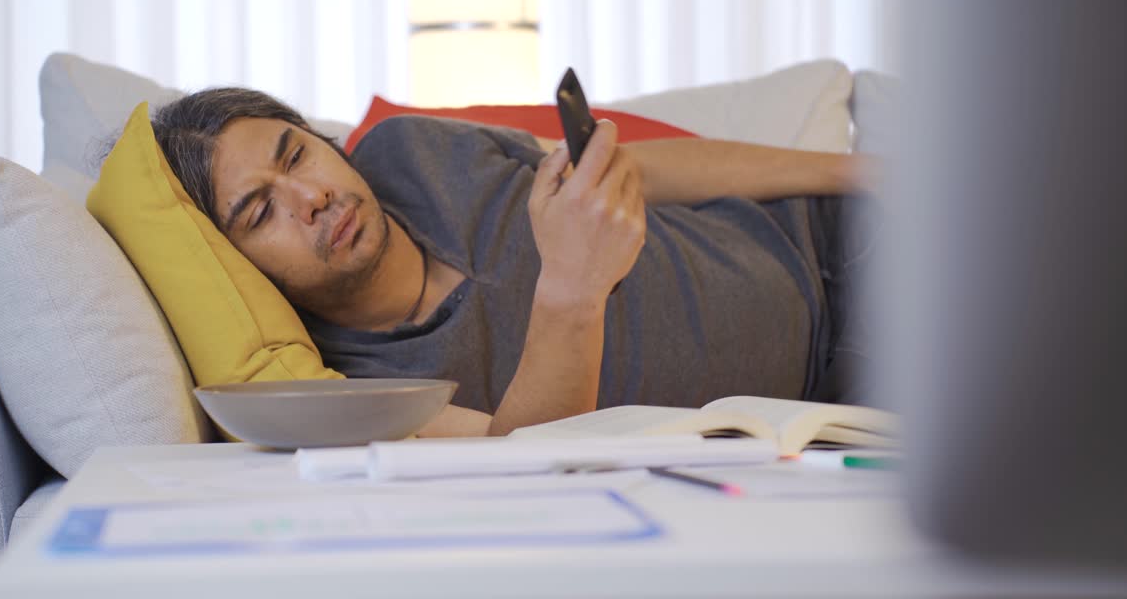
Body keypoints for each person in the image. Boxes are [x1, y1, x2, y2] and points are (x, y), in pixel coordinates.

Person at [153, 88, 880, 438]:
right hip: (842, 391)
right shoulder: (354, 388)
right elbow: (520, 457)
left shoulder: (410, 150)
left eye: (296, 154)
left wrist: (867, 172)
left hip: (832, 236)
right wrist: (572, 283)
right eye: (260, 212)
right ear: (233, 265)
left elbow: (638, 174)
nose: (310, 196)